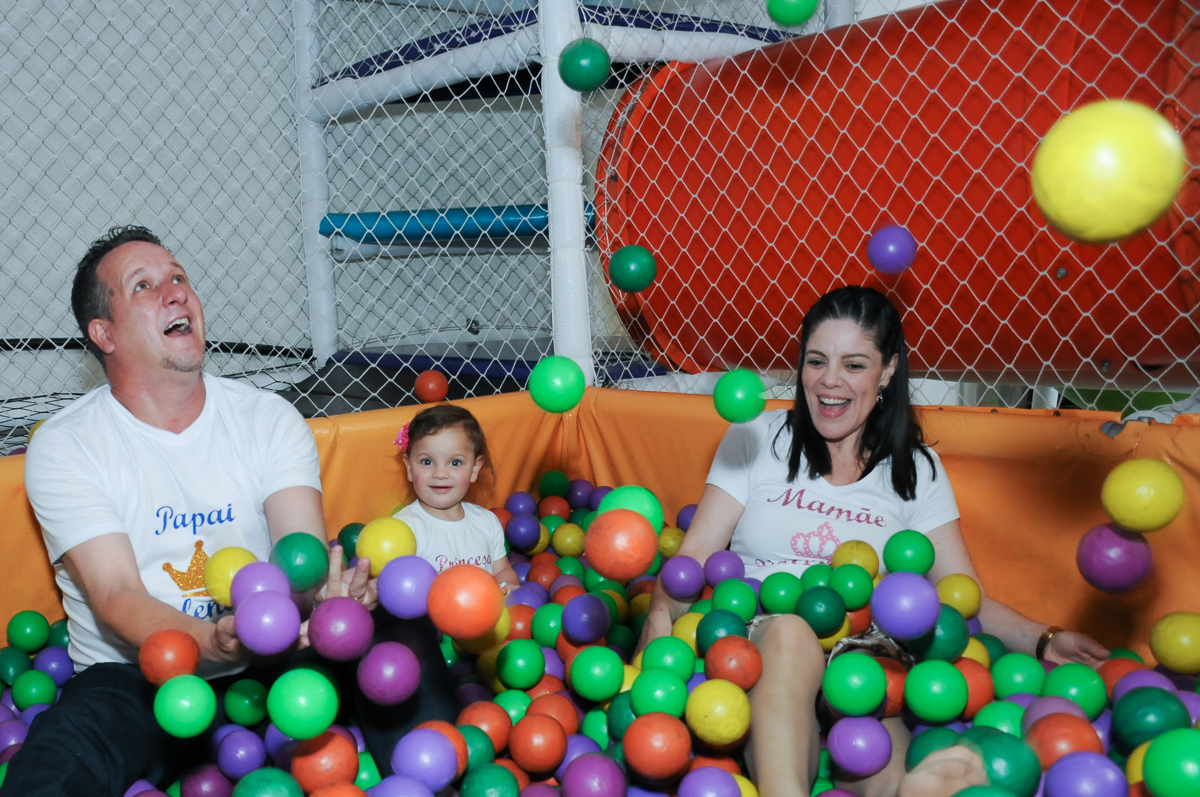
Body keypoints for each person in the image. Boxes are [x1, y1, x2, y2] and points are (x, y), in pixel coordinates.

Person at [638, 286, 1108, 797]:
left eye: (854, 364)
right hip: (759, 630)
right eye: (816, 361)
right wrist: (656, 633)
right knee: (792, 634)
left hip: (865, 642)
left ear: (887, 371)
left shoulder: (916, 470)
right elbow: (695, 557)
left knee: (873, 733)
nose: (829, 381)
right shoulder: (757, 436)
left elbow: (961, 597)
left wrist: (1044, 639)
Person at [3, 226, 377, 796]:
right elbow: (117, 596)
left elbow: (299, 555)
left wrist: (319, 602)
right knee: (56, 761)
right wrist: (213, 642)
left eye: (179, 278)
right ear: (103, 333)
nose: (176, 292)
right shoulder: (67, 443)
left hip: (274, 654)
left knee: (402, 648)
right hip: (138, 676)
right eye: (145, 286)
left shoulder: (268, 418)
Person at [394, 404, 520, 592]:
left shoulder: (486, 522)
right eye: (427, 462)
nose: (440, 473)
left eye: (455, 462)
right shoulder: (404, 529)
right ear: (409, 467)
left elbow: (502, 570)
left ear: (475, 468)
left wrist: (506, 586)